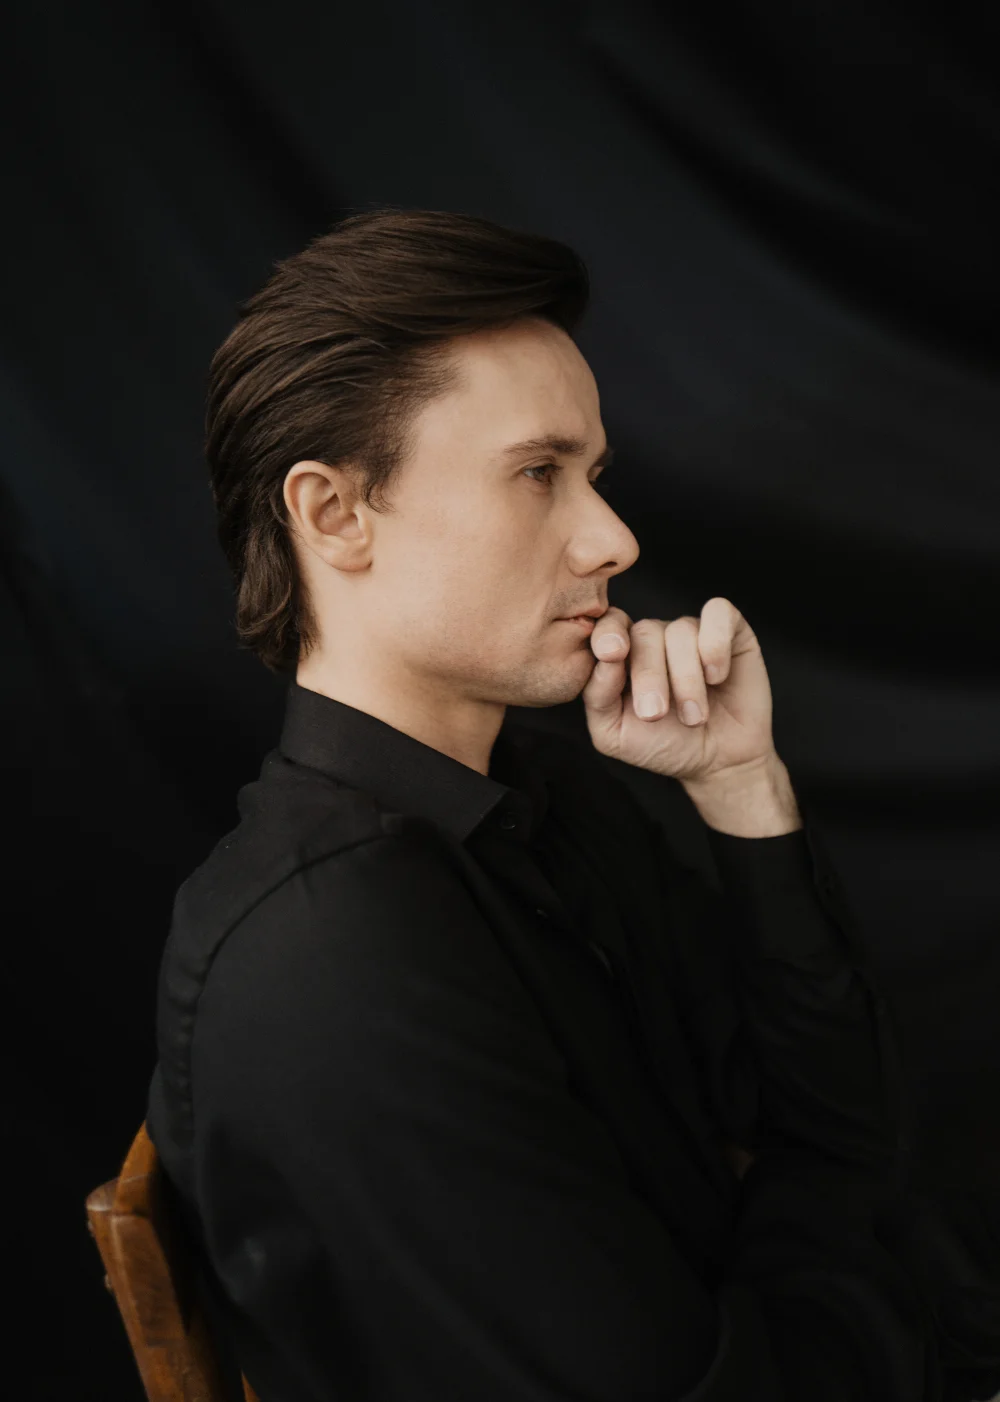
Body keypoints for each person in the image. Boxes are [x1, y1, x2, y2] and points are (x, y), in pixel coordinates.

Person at [148, 207, 1000, 1401]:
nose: (613, 537)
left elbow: (841, 1117)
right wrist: (853, 1244)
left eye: (592, 475)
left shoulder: (545, 796)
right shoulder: (328, 957)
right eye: (538, 473)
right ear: (334, 513)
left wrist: (738, 786)